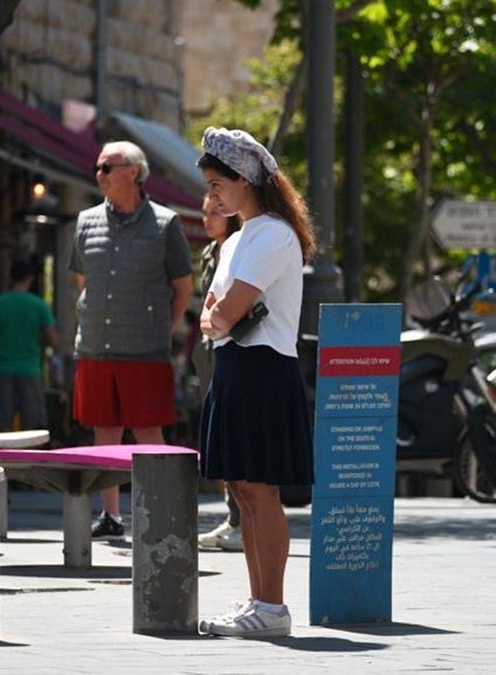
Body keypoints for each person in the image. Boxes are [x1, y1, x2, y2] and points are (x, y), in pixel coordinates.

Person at [196, 127, 315, 637]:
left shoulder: (274, 233)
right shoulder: (237, 238)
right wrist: (218, 318)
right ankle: (258, 603)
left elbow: (228, 311)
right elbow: (210, 315)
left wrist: (218, 317)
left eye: (219, 182)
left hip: (264, 367)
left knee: (261, 491)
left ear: (246, 179)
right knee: (243, 490)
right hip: (235, 366)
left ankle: (273, 607)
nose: (212, 194)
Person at [70, 140, 193, 538]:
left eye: (107, 166)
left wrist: (161, 327)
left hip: (145, 348)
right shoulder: (86, 221)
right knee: (103, 430)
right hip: (95, 346)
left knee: (147, 430)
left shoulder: (165, 223)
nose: (99, 173)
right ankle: (111, 516)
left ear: (134, 172)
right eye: (98, 167)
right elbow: (82, 281)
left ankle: (156, 513)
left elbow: (183, 288)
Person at [192, 195, 244, 552]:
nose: (208, 219)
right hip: (211, 352)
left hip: (233, 352)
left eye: (215, 213)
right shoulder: (212, 252)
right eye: (205, 213)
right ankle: (233, 518)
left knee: (237, 441)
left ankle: (241, 521)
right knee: (221, 441)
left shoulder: (243, 251)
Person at [0, 257, 60, 431]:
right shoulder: (39, 306)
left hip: (1, 370)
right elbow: (54, 341)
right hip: (30, 370)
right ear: (30, 278)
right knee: (32, 427)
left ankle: (3, 458)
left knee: (2, 428)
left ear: (10, 277)